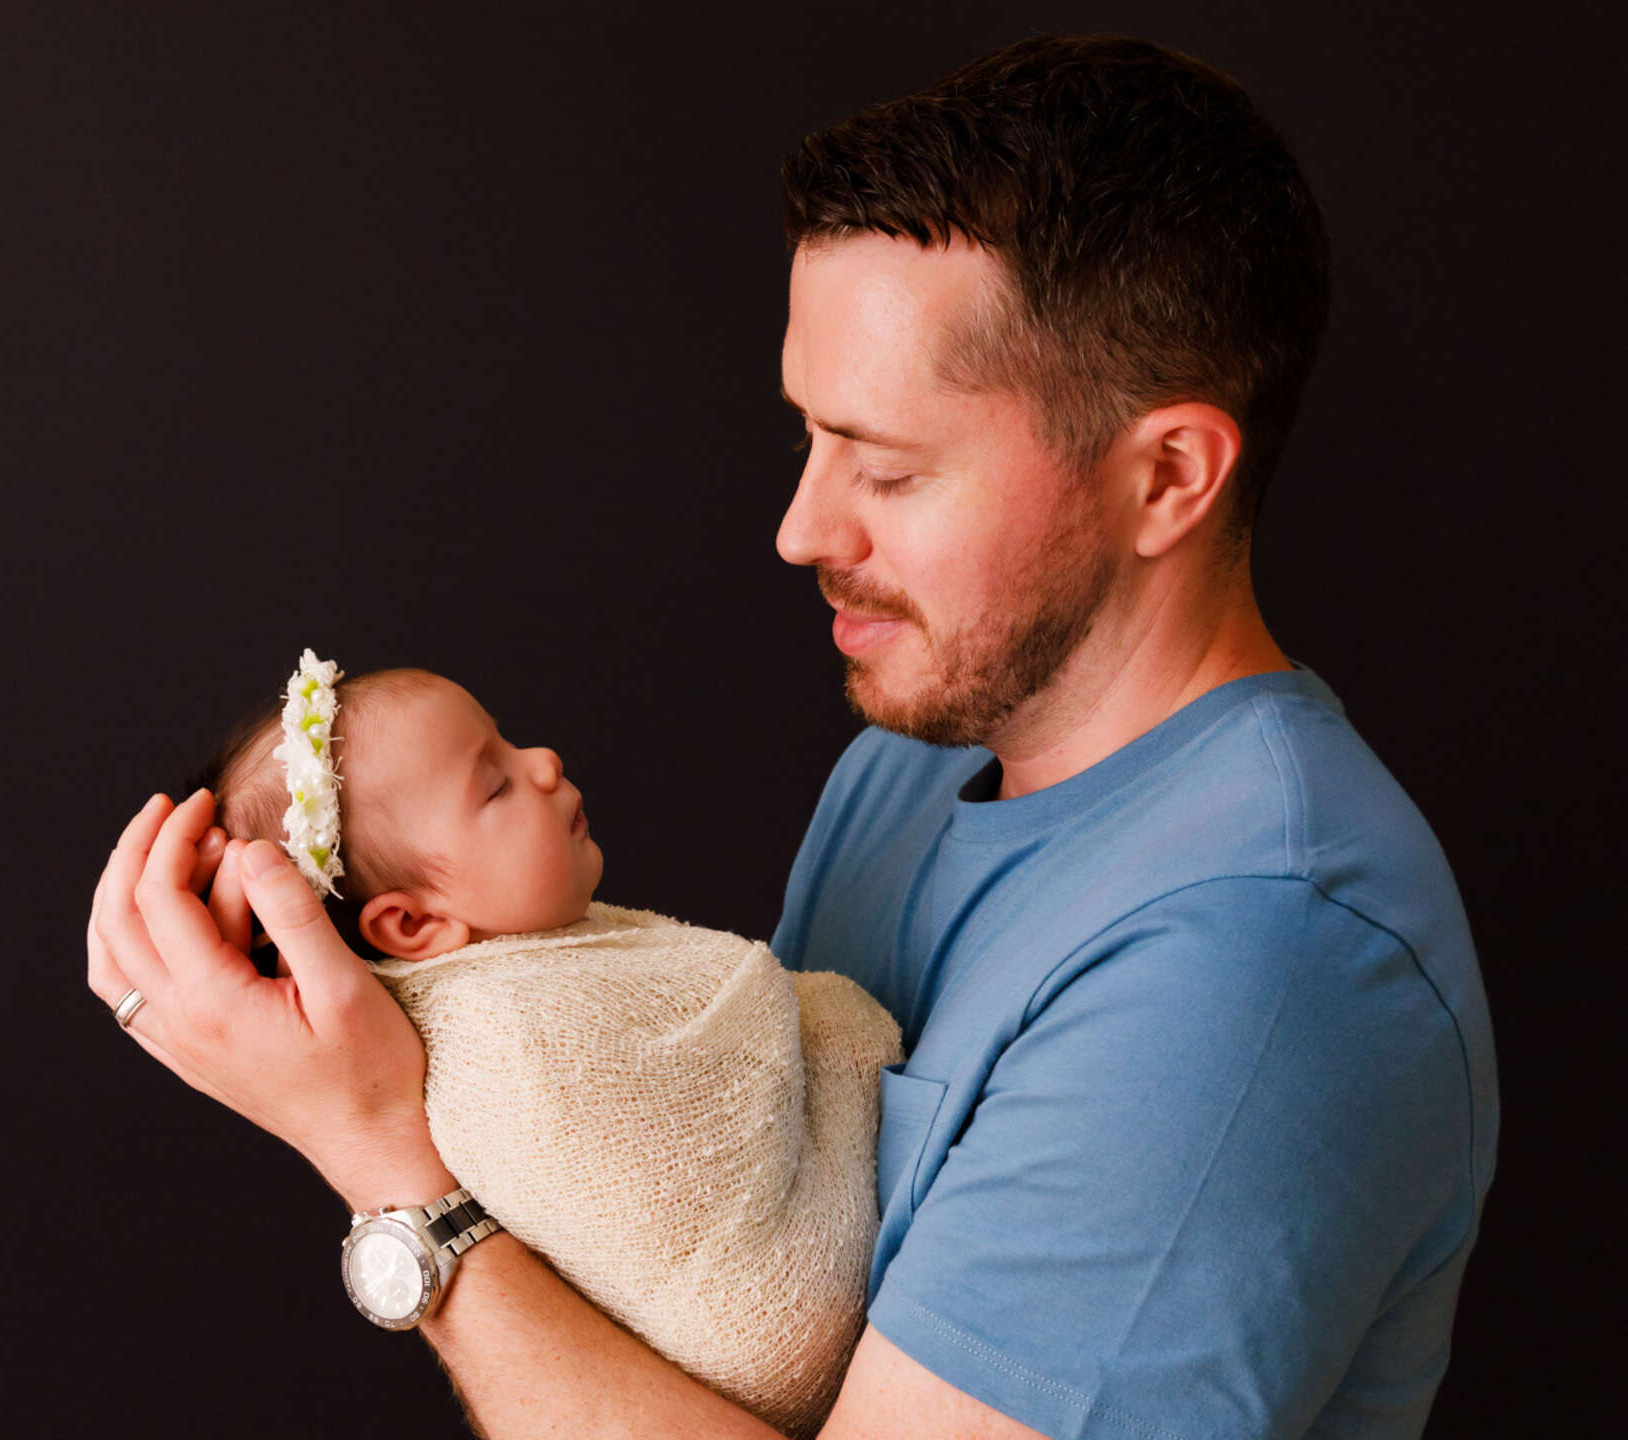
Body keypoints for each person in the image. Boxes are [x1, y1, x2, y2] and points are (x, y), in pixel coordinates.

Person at [88, 32, 1498, 1440]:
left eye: (886, 467)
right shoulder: (911, 765)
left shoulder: (1255, 955)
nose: (800, 529)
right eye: (808, 438)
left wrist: (386, 1164)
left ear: (1168, 477)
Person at [197, 651, 899, 1436]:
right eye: (494, 785)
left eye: (508, 741)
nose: (543, 762)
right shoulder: (508, 1046)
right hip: (767, 1328)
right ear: (414, 924)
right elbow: (707, 1075)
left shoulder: (532, 967)